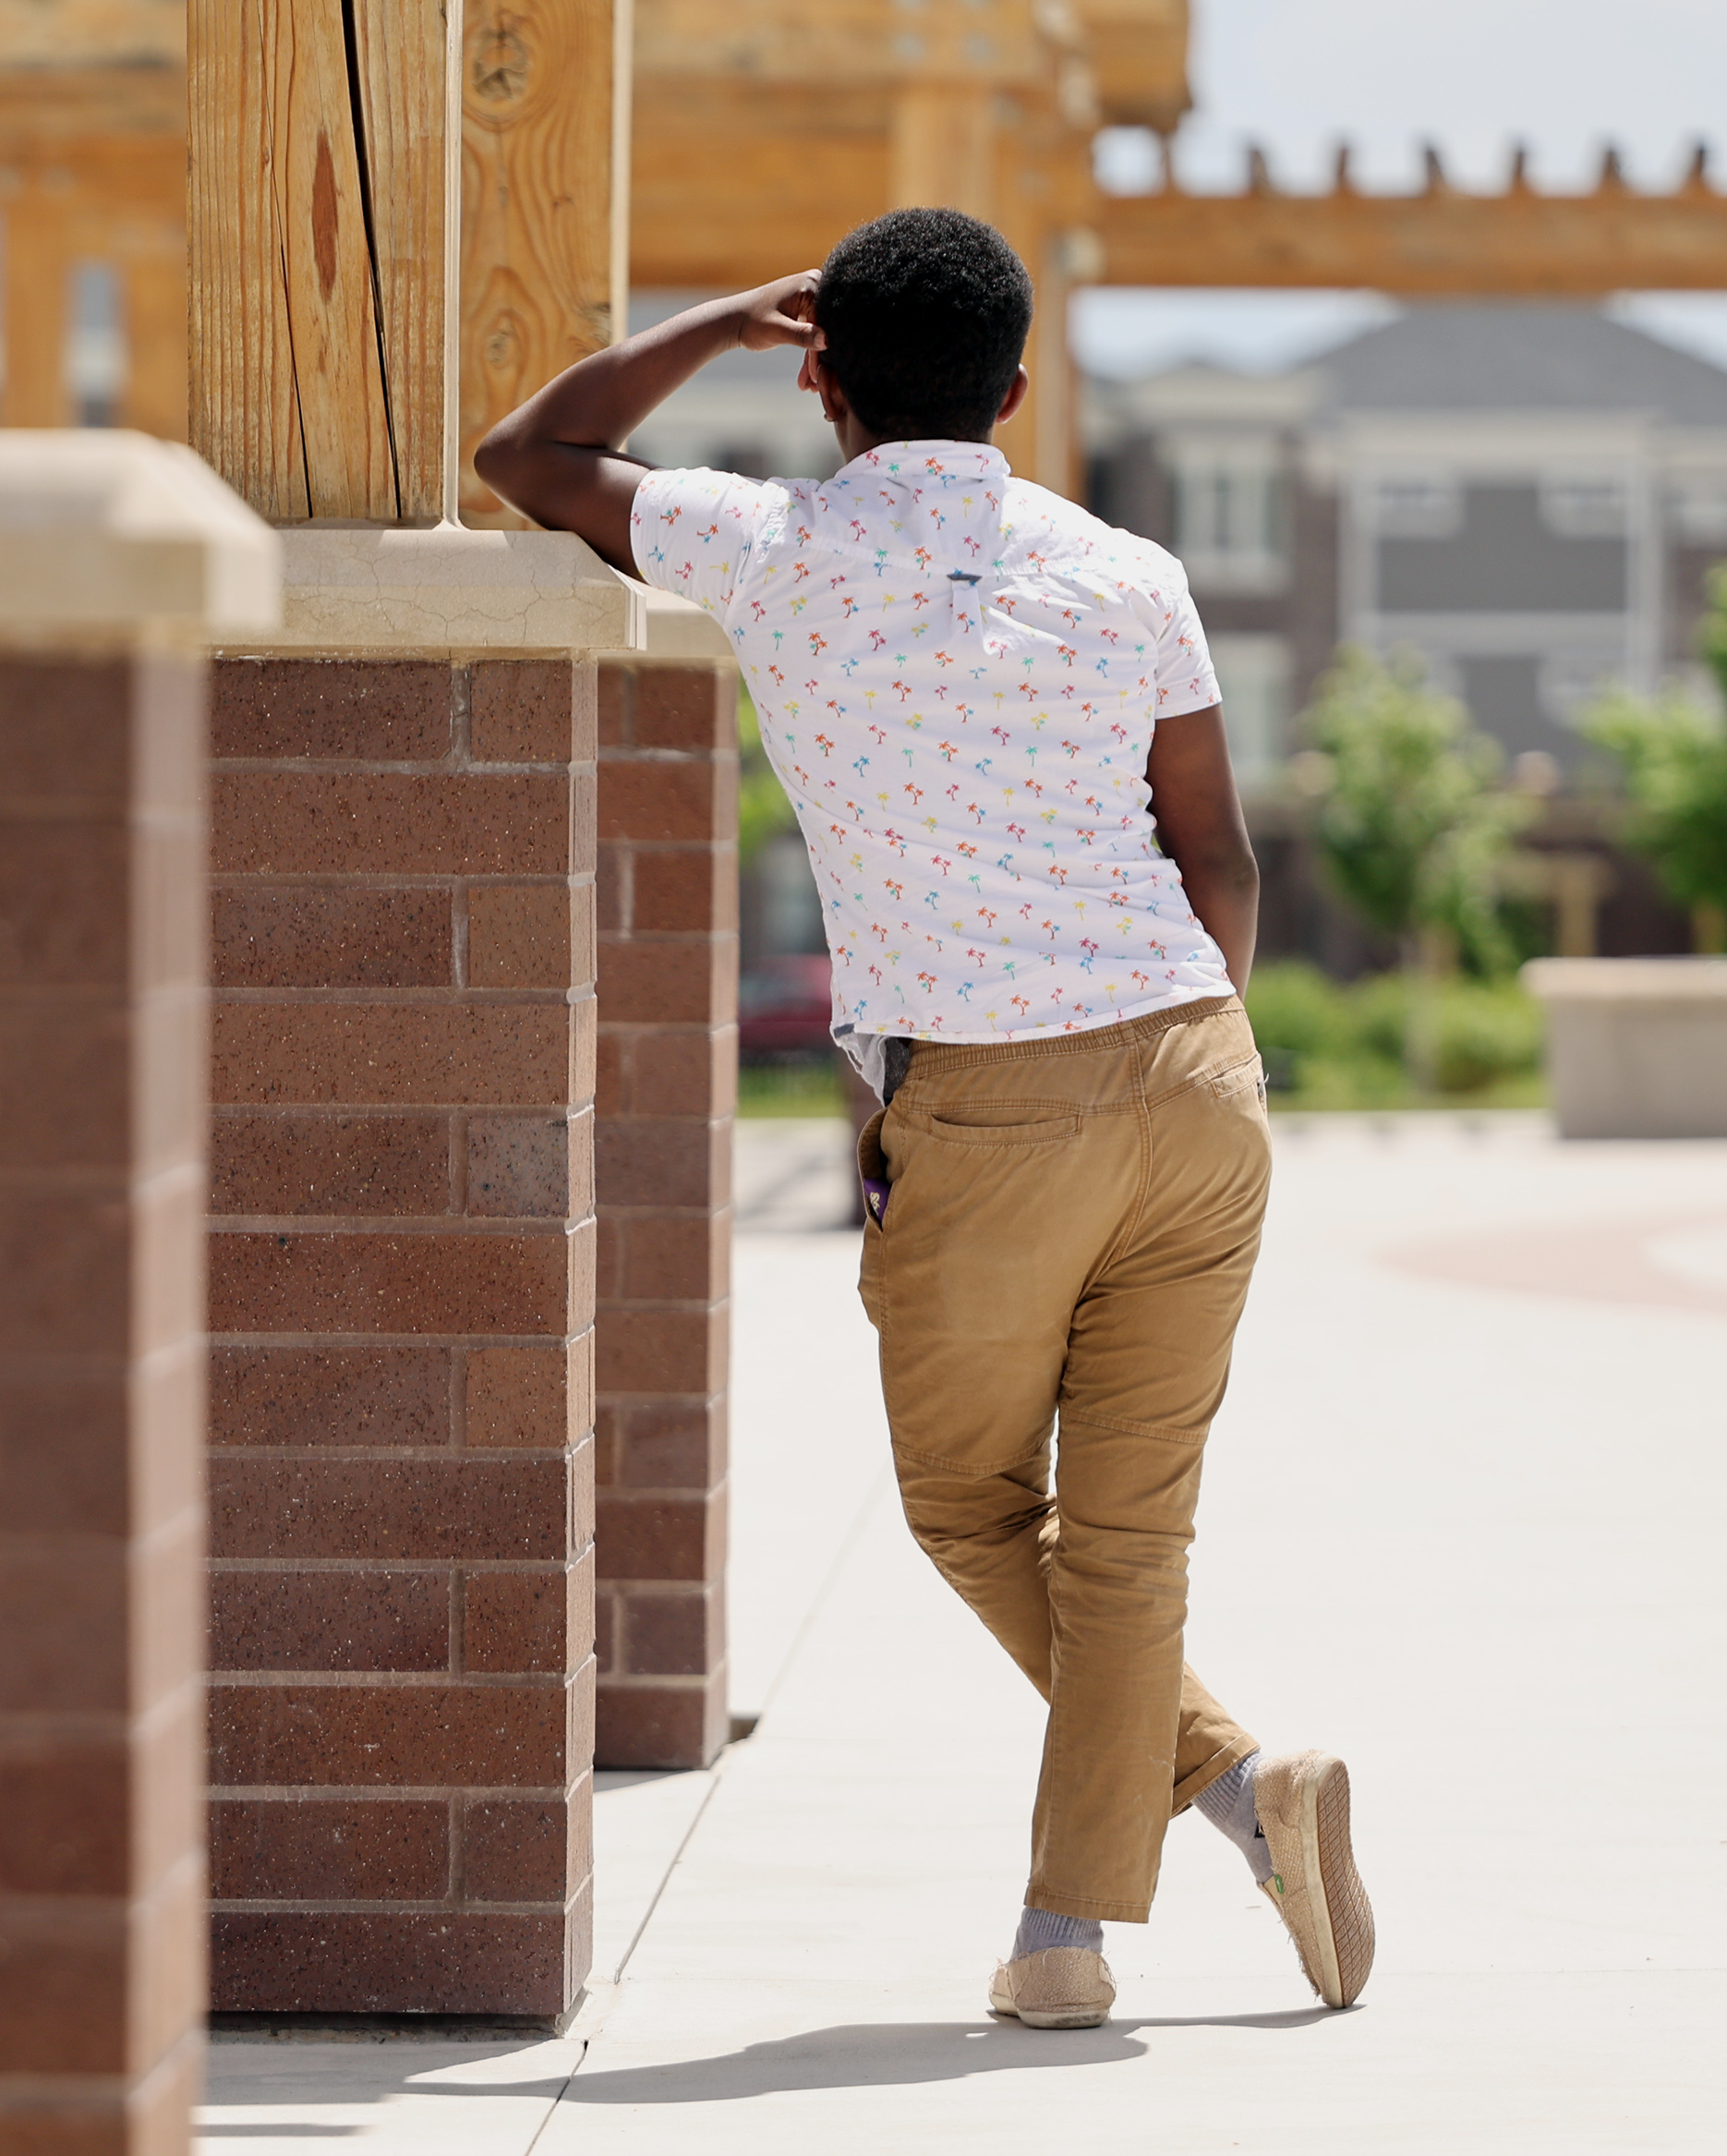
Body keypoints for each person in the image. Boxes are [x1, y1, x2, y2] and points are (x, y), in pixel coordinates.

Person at [475, 208, 1371, 2031]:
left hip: (993, 1099)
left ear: (821, 375)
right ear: (1021, 389)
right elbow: (1219, 849)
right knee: (1130, 1541)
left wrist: (714, 316)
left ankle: (1161, 1862)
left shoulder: (763, 543)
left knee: (975, 1509)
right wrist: (1187, 1049)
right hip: (1202, 1073)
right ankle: (1121, 1889)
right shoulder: (1132, 574)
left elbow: (528, 455)